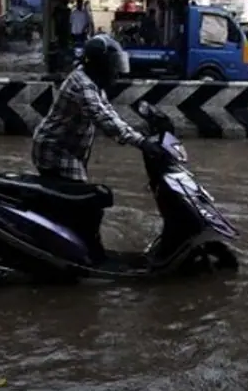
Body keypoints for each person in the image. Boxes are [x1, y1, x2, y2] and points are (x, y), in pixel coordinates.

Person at [31, 34, 167, 260]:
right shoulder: (82, 85)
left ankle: (77, 249)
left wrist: (141, 135)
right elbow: (104, 119)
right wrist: (141, 142)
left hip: (67, 152)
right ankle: (84, 256)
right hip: (55, 152)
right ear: (99, 64)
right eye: (111, 65)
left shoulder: (92, 82)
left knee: (81, 205)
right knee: (88, 204)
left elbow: (111, 114)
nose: (115, 71)